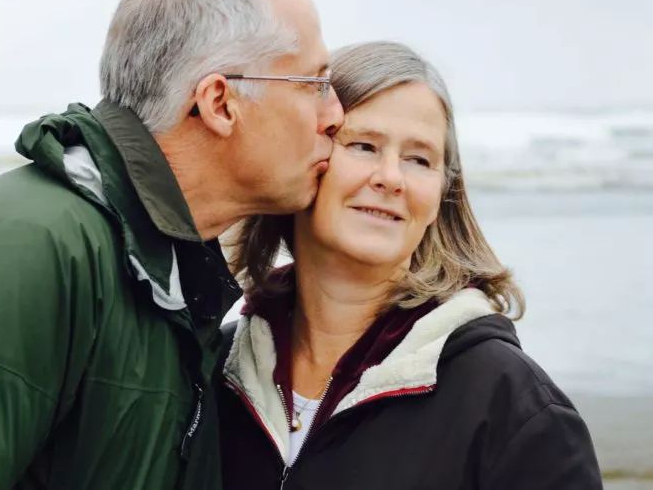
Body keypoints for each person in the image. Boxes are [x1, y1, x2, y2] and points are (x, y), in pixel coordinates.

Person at [0, 0, 345, 490]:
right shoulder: (19, 248)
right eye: (315, 83)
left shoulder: (167, 270)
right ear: (219, 103)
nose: (336, 115)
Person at [217, 41, 602, 489]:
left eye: (419, 159)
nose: (391, 178)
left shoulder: (513, 406)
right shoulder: (216, 370)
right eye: (363, 145)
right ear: (305, 158)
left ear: (442, 194)